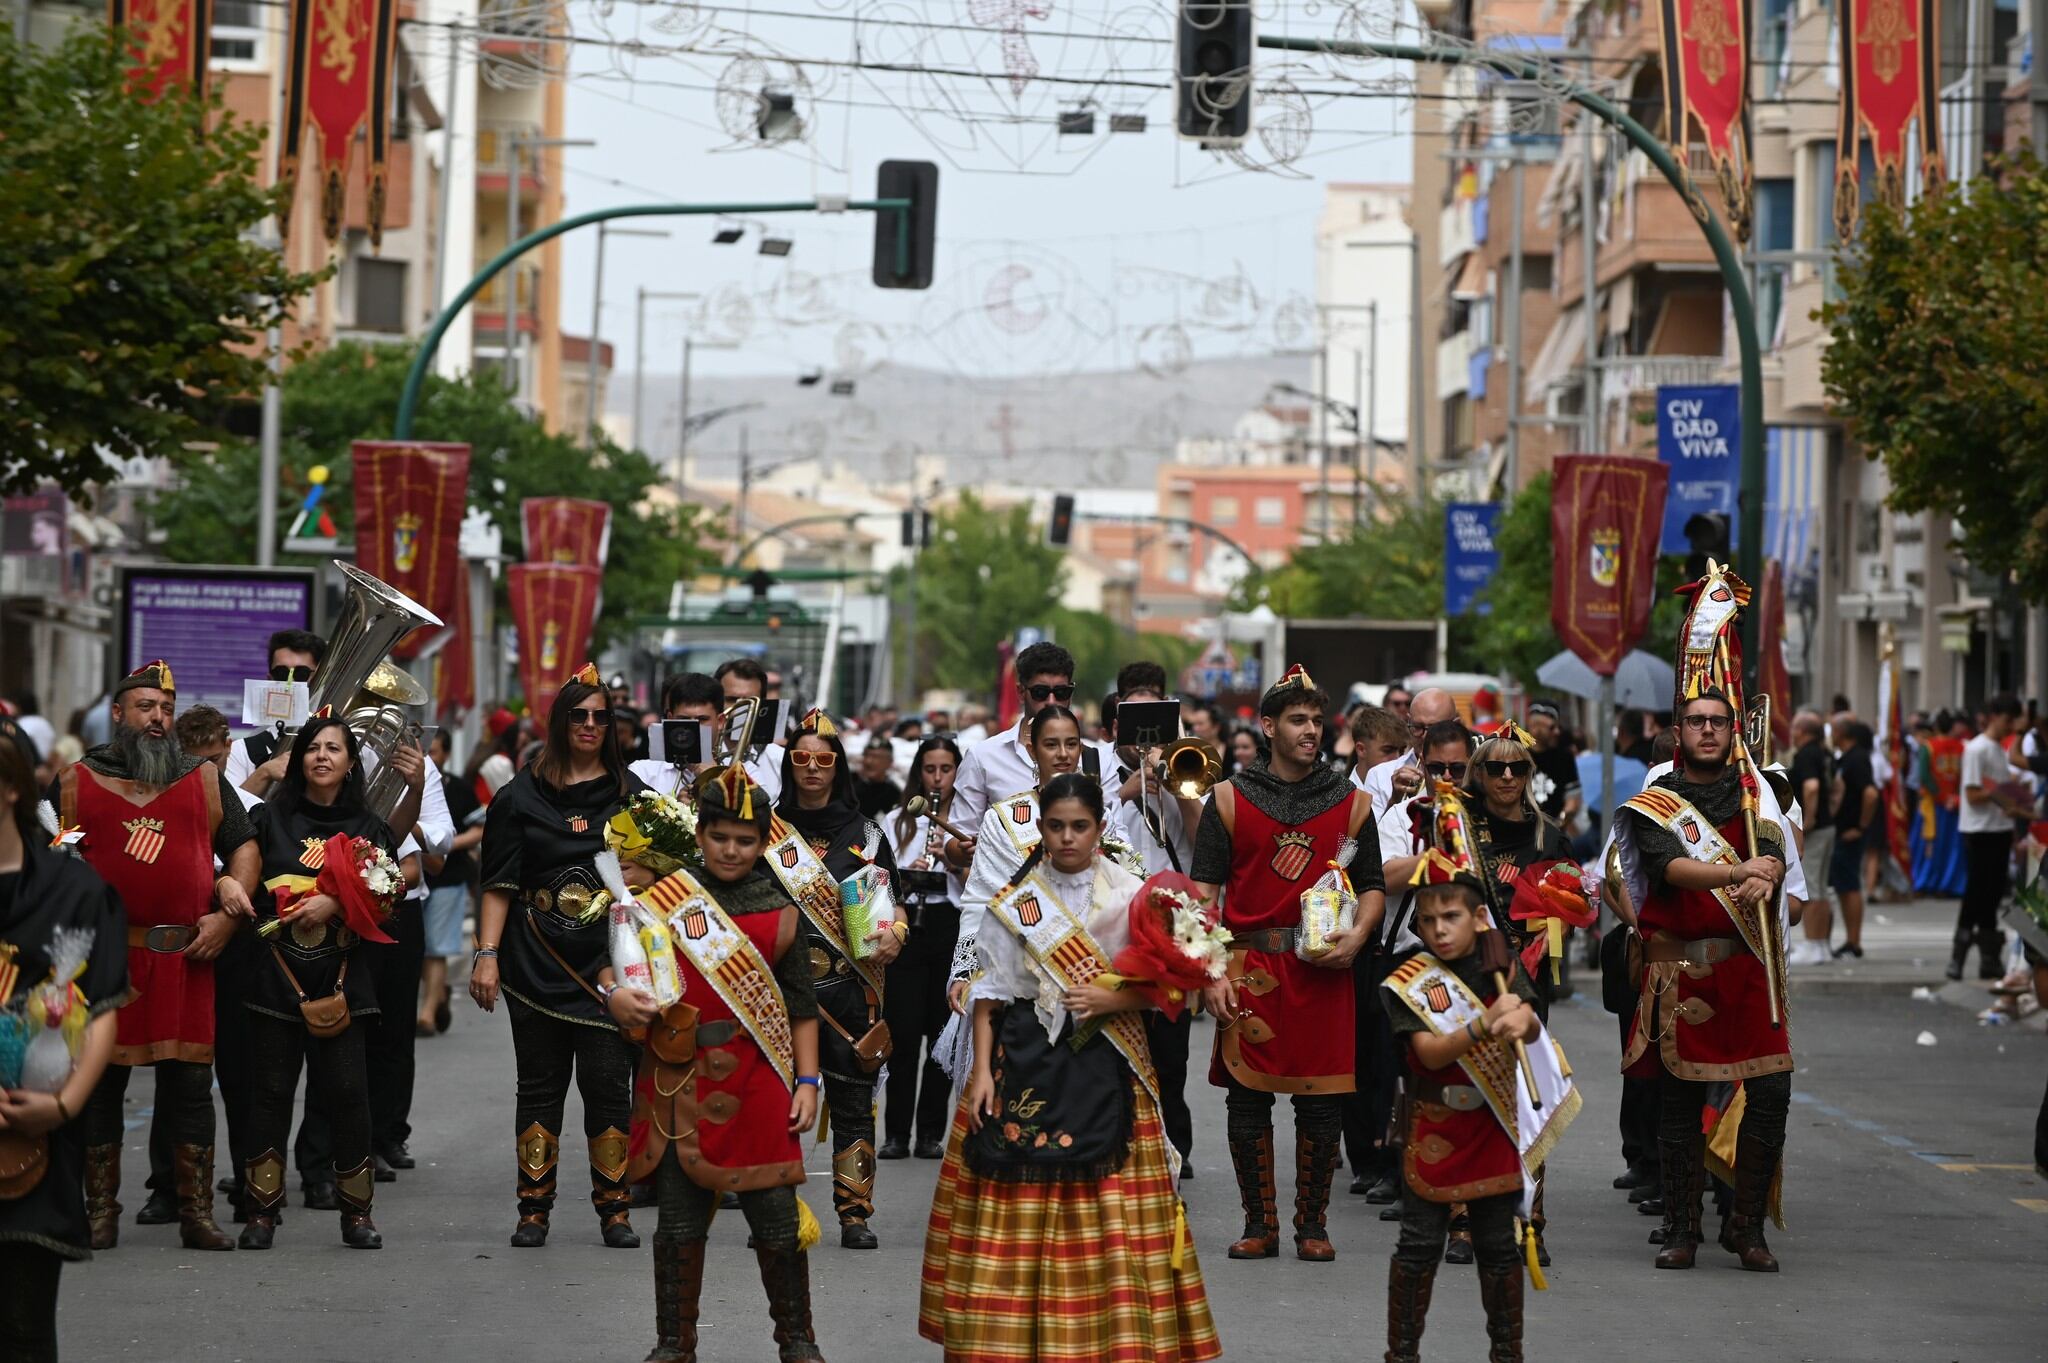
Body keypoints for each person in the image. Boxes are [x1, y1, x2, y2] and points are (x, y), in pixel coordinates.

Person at [919, 773, 1221, 1363]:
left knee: (1109, 1205)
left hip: (1109, 1058)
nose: (1066, 838)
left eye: (1079, 826)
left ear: (1100, 828)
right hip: (1024, 1058)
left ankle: (1110, 1339)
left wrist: (1117, 999)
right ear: (1040, 827)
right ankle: (1008, 1338)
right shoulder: (1021, 898)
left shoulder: (1136, 891)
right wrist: (979, 1073)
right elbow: (991, 995)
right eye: (1054, 826)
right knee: (1014, 1190)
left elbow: (1177, 986)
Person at [600, 763, 828, 1363]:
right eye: (720, 836)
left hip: (760, 1086)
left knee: (778, 1223)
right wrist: (615, 995)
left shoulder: (781, 913)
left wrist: (807, 1083)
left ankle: (798, 1341)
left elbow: (802, 1009)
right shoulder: (663, 900)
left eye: (746, 840)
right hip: (679, 1083)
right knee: (677, 1226)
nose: (732, 849)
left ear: (764, 843)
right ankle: (674, 1344)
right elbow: (618, 971)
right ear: (700, 835)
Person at [55, 662, 257, 1253]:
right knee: (99, 1089)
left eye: (165, 709)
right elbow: (50, 860)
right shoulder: (74, 781)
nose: (158, 719)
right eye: (145, 707)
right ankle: (99, 1212)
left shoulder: (204, 779)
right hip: (104, 963)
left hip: (184, 957)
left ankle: (195, 1213)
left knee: (192, 1090)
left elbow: (243, 846)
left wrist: (229, 909)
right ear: (119, 714)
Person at [1192, 664, 1384, 1262]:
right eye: (1297, 720)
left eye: (1316, 720)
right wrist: (1213, 972)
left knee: (1322, 1102)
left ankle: (1313, 1226)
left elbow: (1372, 885)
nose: (1310, 730)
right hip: (1251, 970)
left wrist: (1359, 934)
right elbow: (1203, 897)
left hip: (1323, 969)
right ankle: (1261, 1224)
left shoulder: (1352, 804)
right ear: (1269, 726)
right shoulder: (1225, 799)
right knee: (1247, 1099)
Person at [1613, 686, 1791, 1272]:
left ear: (1732, 730)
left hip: (1747, 971)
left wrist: (1768, 871)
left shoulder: (1753, 795)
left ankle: (1746, 1227)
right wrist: (1738, 869)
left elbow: (1772, 850)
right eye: (1696, 722)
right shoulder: (1656, 803)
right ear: (1680, 729)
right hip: (1683, 973)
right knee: (1679, 1102)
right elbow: (1669, 867)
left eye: (1718, 721)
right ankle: (1681, 1227)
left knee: (1770, 1094)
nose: (1708, 731)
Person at [473, 666, 650, 1249]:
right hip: (534, 962)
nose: (592, 725)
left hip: (610, 965)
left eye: (602, 716)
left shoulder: (635, 797)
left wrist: (648, 870)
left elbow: (674, 879)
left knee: (607, 1086)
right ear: (560, 722)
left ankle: (615, 1210)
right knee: (539, 1087)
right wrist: (487, 955)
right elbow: (498, 883)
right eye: (580, 715)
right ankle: (533, 1210)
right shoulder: (518, 796)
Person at [237, 716, 417, 1250]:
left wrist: (337, 901)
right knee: (268, 1096)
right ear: (298, 761)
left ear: (350, 761)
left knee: (348, 1095)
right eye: (312, 748)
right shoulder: (269, 818)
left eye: (333, 748)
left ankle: (356, 1215)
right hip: (276, 974)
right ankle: (261, 1214)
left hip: (342, 975)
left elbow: (390, 892)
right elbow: (227, 839)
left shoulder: (368, 824)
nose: (321, 756)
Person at [1381, 855, 1546, 1363]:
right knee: (1417, 1245)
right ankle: (1402, 1354)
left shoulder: (1500, 962)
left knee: (1498, 1247)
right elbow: (1428, 1055)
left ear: (1477, 918)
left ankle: (1506, 1354)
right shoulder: (1409, 978)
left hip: (1492, 1123)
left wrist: (1524, 1022)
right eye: (1427, 920)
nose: (1438, 930)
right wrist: (1482, 1026)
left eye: (1450, 917)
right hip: (1434, 1124)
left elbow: (1529, 1021)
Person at [0, 731, 129, 1362]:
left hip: (33, 1139)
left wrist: (62, 1106)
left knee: (23, 1327)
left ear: (12, 788)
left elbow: (102, 1010)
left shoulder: (73, 892)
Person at [768, 709, 905, 1248]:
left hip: (851, 988)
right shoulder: (766, 829)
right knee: (779, 1102)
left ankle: (855, 1213)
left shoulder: (868, 833)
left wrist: (898, 934)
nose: (812, 768)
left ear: (838, 766)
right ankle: (775, 1205)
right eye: (801, 758)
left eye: (824, 760)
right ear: (789, 765)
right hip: (780, 987)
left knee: (852, 1101)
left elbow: (895, 906)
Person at [1461, 726, 1576, 1266]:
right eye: (1496, 767)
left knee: (1528, 1099)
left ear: (1531, 775)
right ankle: (1464, 1223)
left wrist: (1557, 923)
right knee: (1468, 1099)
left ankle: (1530, 1223)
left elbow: (1571, 910)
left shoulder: (1550, 836)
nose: (1508, 776)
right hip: (1467, 982)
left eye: (1519, 768)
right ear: (1478, 775)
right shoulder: (1456, 828)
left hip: (1527, 987)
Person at [1367, 722, 1475, 1222]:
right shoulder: (1398, 817)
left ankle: (1460, 1180)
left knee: (1459, 1078)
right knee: (1403, 1077)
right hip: (1411, 959)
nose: (1448, 777)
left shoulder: (1484, 816)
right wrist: (1436, 860)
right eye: (1438, 769)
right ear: (1422, 765)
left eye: (1458, 768)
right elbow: (1380, 876)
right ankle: (1403, 1175)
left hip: (1473, 964)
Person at [1110, 662, 1203, 1172]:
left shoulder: (1184, 765)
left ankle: (1175, 1146)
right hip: (1114, 927)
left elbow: (1205, 841)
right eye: (1134, 717)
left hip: (1170, 926)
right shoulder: (1097, 769)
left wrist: (1175, 782)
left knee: (1171, 1051)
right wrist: (1126, 788)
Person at [944, 642, 1120, 871]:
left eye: (1062, 692)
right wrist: (963, 850)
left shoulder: (1097, 760)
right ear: (1020, 692)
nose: (1051, 701)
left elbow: (1118, 841)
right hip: (1012, 895)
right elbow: (956, 838)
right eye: (1040, 692)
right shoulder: (983, 757)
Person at [879, 736, 964, 1161]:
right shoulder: (897, 819)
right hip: (908, 924)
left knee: (941, 1033)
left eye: (946, 770)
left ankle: (930, 1132)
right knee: (903, 1033)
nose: (937, 778)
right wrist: (906, 877)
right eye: (930, 770)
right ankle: (896, 1133)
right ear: (919, 772)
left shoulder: (968, 822)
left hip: (949, 925)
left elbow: (982, 887)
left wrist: (951, 861)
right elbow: (878, 881)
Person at [1956, 694, 2029, 981]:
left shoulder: (1999, 749)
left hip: (1999, 829)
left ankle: (1989, 958)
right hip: (1979, 830)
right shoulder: (1977, 749)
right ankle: (1958, 955)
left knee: (1993, 894)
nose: (2011, 726)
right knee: (1975, 893)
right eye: (2009, 720)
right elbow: (1972, 794)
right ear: (1995, 716)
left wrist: (2012, 793)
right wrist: (2001, 792)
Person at [418, 728, 482, 1035]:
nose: (429, 757)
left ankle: (427, 1013)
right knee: (416, 947)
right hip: (409, 878)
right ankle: (436, 991)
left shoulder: (458, 788)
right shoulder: (400, 785)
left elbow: (479, 829)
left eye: (435, 752)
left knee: (435, 947)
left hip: (448, 879)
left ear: (446, 754)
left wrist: (444, 844)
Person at [1786, 710, 1836, 966]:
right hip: (1829, 825)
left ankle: (1813, 944)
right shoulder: (1824, 753)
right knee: (1822, 887)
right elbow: (1837, 787)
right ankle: (1822, 945)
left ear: (1802, 732)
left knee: (1812, 886)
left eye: (1794, 728)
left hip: (1816, 828)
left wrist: (1808, 820)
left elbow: (1812, 787)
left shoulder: (1806, 754)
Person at [1362, 687, 1457, 817]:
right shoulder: (1379, 775)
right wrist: (1395, 800)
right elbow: (1371, 837)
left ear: (1456, 725)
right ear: (1409, 721)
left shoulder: (1468, 772)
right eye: (1417, 727)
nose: (1425, 736)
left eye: (1435, 728)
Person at [1830, 717, 1879, 961]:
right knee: (1843, 886)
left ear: (1842, 733)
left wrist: (1861, 826)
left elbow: (1870, 794)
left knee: (1849, 886)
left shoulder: (1857, 758)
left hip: (1851, 831)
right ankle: (1851, 939)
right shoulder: (1846, 758)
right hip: (1842, 830)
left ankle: (1854, 940)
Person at [1523, 701, 1582, 826]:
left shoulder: (1564, 758)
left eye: (1558, 727)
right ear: (1534, 727)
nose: (1557, 732)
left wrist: (1560, 823)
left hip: (1555, 832)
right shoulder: (1516, 755)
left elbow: (1573, 799)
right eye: (1551, 727)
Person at [852, 738, 902, 819]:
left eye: (876, 757)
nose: (868, 761)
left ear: (889, 762)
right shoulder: (849, 784)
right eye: (866, 755)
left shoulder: (894, 794)